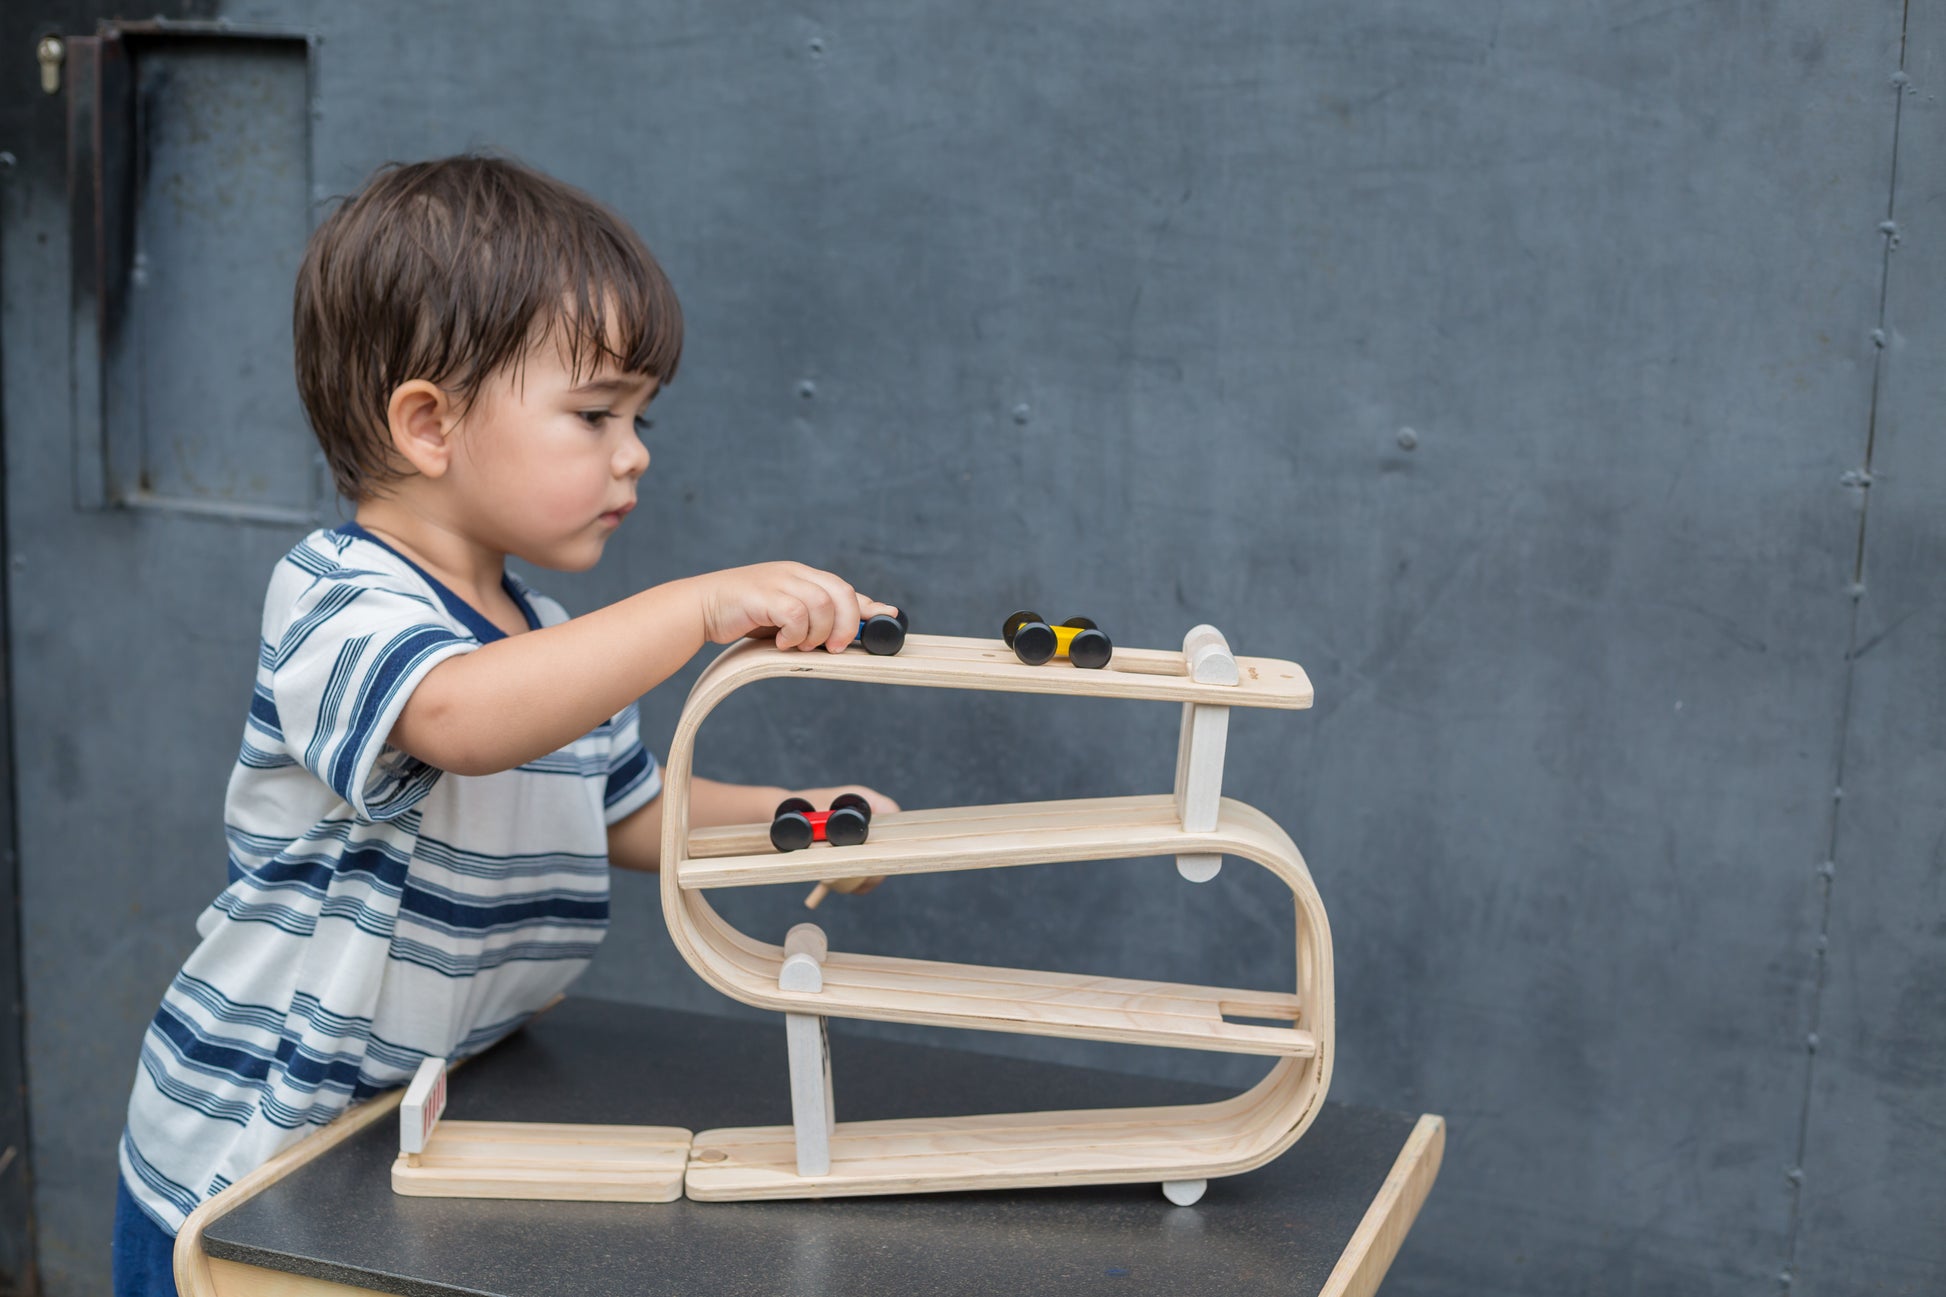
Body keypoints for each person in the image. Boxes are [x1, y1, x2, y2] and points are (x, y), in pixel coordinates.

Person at [111, 154, 898, 1294]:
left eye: (638, 417)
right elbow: (455, 720)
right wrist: (695, 604)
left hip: (411, 1127)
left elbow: (627, 811)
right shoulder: (337, 598)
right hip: (246, 1161)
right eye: (594, 414)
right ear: (429, 425)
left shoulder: (543, 632)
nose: (634, 454)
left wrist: (800, 821)